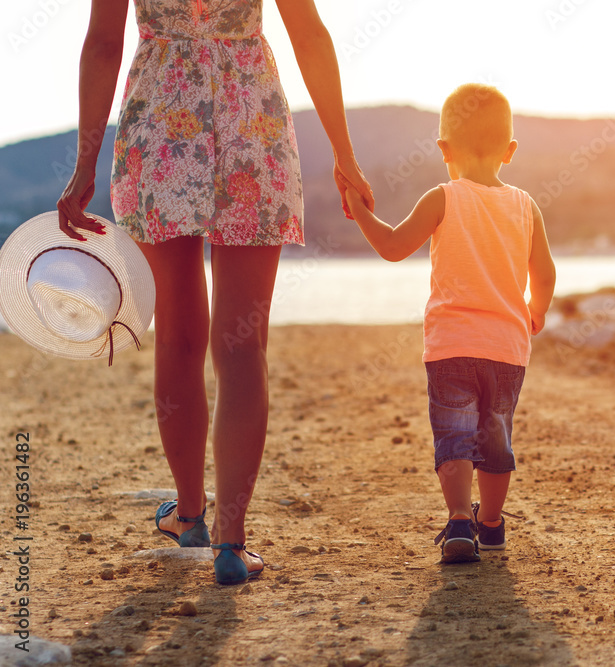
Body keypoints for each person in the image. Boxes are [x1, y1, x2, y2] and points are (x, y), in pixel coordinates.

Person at [57, 0, 373, 585]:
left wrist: (84, 165)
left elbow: (103, 44)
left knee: (177, 338)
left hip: (159, 130)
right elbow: (309, 33)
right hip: (251, 124)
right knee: (242, 347)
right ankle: (231, 544)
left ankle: (190, 514)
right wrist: (345, 154)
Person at [339, 83, 557, 563]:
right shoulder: (526, 206)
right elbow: (544, 273)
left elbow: (394, 247)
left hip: (451, 346)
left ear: (443, 149)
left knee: (455, 435)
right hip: (507, 348)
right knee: (495, 436)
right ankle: (493, 524)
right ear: (511, 150)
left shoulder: (442, 197)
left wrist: (359, 214)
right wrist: (536, 309)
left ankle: (461, 521)